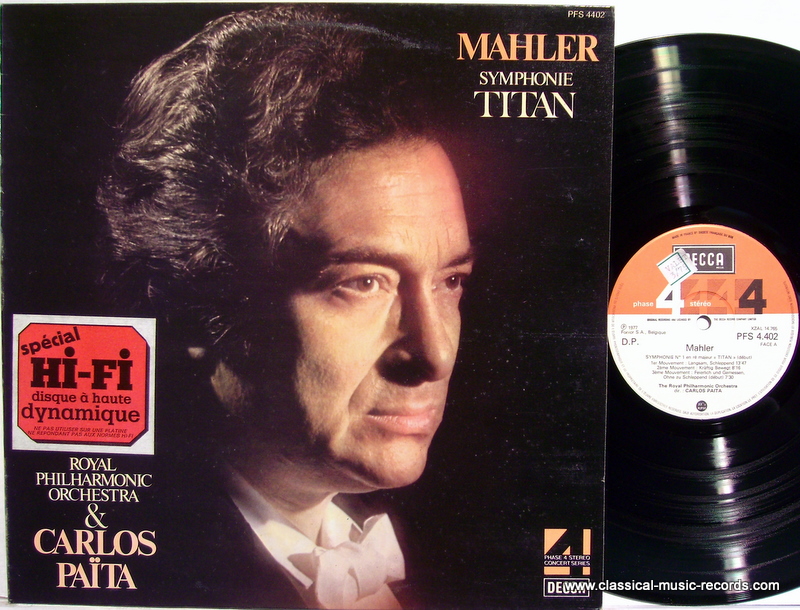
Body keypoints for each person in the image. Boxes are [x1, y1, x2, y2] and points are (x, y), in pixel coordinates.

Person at [97, 6, 472, 609]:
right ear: (196, 307)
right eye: (364, 283)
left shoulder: (425, 563)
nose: (436, 354)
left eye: (450, 281)